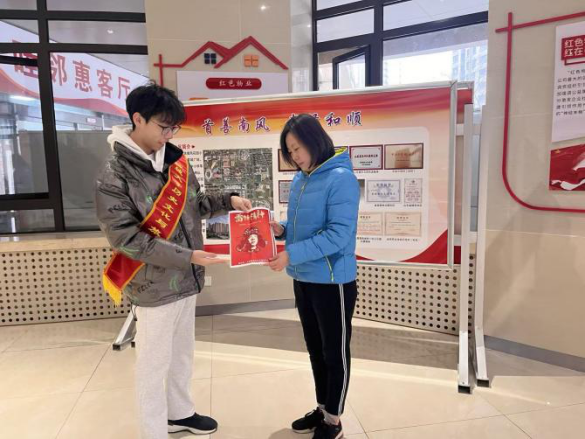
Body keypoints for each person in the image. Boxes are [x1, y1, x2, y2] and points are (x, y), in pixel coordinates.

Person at [95, 82, 252, 439]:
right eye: (163, 127)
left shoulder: (175, 160)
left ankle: (180, 413)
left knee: (182, 352)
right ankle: (152, 431)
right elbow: (125, 238)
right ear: (138, 119)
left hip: (186, 277)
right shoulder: (114, 173)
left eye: (174, 128)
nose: (168, 135)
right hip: (152, 285)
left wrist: (228, 200)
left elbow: (195, 203)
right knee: (153, 364)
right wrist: (187, 256)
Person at [268, 114, 360, 439]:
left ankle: (334, 420)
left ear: (315, 140)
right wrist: (281, 230)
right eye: (290, 150)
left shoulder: (341, 178)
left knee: (335, 353)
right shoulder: (301, 178)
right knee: (315, 349)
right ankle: (322, 408)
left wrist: (291, 253)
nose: (294, 156)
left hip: (333, 281)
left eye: (298, 148)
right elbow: (304, 227)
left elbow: (337, 235)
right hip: (304, 277)